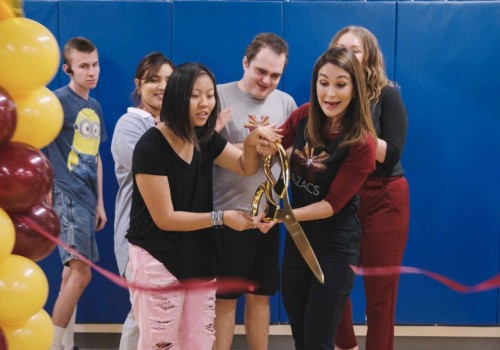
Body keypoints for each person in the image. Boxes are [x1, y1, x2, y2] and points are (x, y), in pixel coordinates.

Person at [125, 62, 281, 350]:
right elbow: (165, 218)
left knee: (199, 342)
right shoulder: (151, 147)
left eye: (210, 95)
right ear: (177, 97)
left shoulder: (204, 138)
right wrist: (223, 218)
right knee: (161, 343)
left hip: (198, 260)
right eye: (196, 95)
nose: (205, 103)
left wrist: (250, 145)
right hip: (159, 260)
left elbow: (245, 167)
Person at [275, 47, 376, 349]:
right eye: (323, 82)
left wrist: (282, 216)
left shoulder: (362, 143)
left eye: (341, 84)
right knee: (300, 334)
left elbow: (331, 205)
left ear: (355, 89)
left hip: (335, 246)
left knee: (318, 338)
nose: (330, 93)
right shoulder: (304, 115)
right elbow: (274, 146)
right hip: (298, 238)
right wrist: (259, 141)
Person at [213, 32, 297, 350]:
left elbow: (287, 157)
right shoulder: (218, 97)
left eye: (275, 75)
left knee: (261, 297)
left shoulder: (285, 102)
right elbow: (205, 151)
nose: (267, 81)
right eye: (261, 71)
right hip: (227, 215)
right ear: (245, 62)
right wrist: (248, 148)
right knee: (224, 302)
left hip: (266, 217)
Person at [330, 26, 410, 350]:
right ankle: (344, 346)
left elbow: (391, 155)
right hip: (339, 199)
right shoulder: (327, 96)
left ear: (369, 58)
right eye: (341, 48)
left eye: (356, 49)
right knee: (333, 286)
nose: (347, 54)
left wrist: (354, 129)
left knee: (380, 296)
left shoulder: (388, 94)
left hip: (383, 197)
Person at [43, 37, 107, 350]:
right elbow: (38, 147)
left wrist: (100, 204)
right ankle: (53, 345)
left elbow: (94, 157)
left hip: (85, 199)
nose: (91, 71)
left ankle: (65, 343)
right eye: (84, 66)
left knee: (72, 277)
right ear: (68, 69)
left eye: (94, 64)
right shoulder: (56, 102)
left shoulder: (93, 106)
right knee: (81, 274)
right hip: (65, 196)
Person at [111, 52, 174, 350]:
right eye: (153, 80)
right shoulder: (129, 125)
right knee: (144, 316)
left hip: (165, 237)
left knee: (145, 316)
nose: (162, 86)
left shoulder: (174, 127)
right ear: (139, 84)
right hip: (136, 239)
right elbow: (160, 171)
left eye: (168, 80)